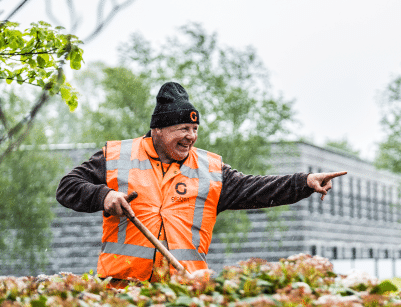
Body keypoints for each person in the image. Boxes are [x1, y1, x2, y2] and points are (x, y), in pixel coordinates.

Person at [56, 82, 346, 284]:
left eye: (195, 129)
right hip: (121, 290)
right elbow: (68, 187)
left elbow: (257, 188)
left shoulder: (211, 170)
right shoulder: (118, 156)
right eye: (182, 128)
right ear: (157, 129)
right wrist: (103, 196)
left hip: (184, 291)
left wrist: (305, 181)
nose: (191, 136)